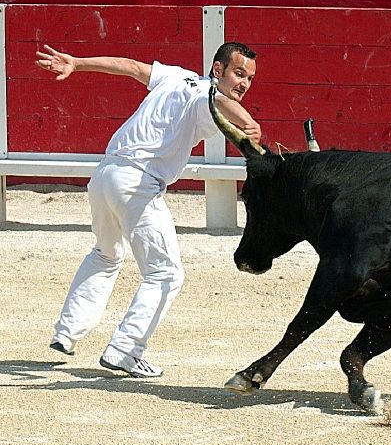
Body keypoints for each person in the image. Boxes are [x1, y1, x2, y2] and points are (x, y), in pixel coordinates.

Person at [35, 42, 262, 377]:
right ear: (218, 70)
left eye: (249, 78)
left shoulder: (176, 77)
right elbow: (219, 101)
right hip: (137, 183)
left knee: (106, 252)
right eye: (238, 73)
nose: (244, 83)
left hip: (105, 174)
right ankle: (125, 349)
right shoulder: (206, 92)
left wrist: (78, 62)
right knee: (166, 273)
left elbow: (129, 65)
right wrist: (250, 123)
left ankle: (66, 332)